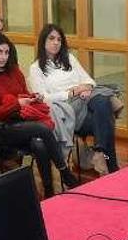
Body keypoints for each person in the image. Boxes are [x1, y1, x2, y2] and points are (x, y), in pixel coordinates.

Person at [0, 32, 78, 197]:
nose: (3, 57)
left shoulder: (14, 71)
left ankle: (49, 191)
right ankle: (64, 171)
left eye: (6, 52)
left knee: (40, 144)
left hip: (24, 118)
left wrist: (32, 97)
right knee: (43, 129)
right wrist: (16, 104)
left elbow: (24, 93)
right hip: (3, 127)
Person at [29, 23, 120, 174]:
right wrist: (70, 93)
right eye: (51, 38)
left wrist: (86, 88)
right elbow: (43, 98)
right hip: (66, 111)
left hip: (86, 101)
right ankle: (111, 166)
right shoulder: (36, 68)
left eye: (59, 39)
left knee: (102, 104)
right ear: (43, 41)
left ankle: (100, 155)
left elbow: (90, 80)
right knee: (106, 117)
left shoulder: (69, 58)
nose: (56, 42)